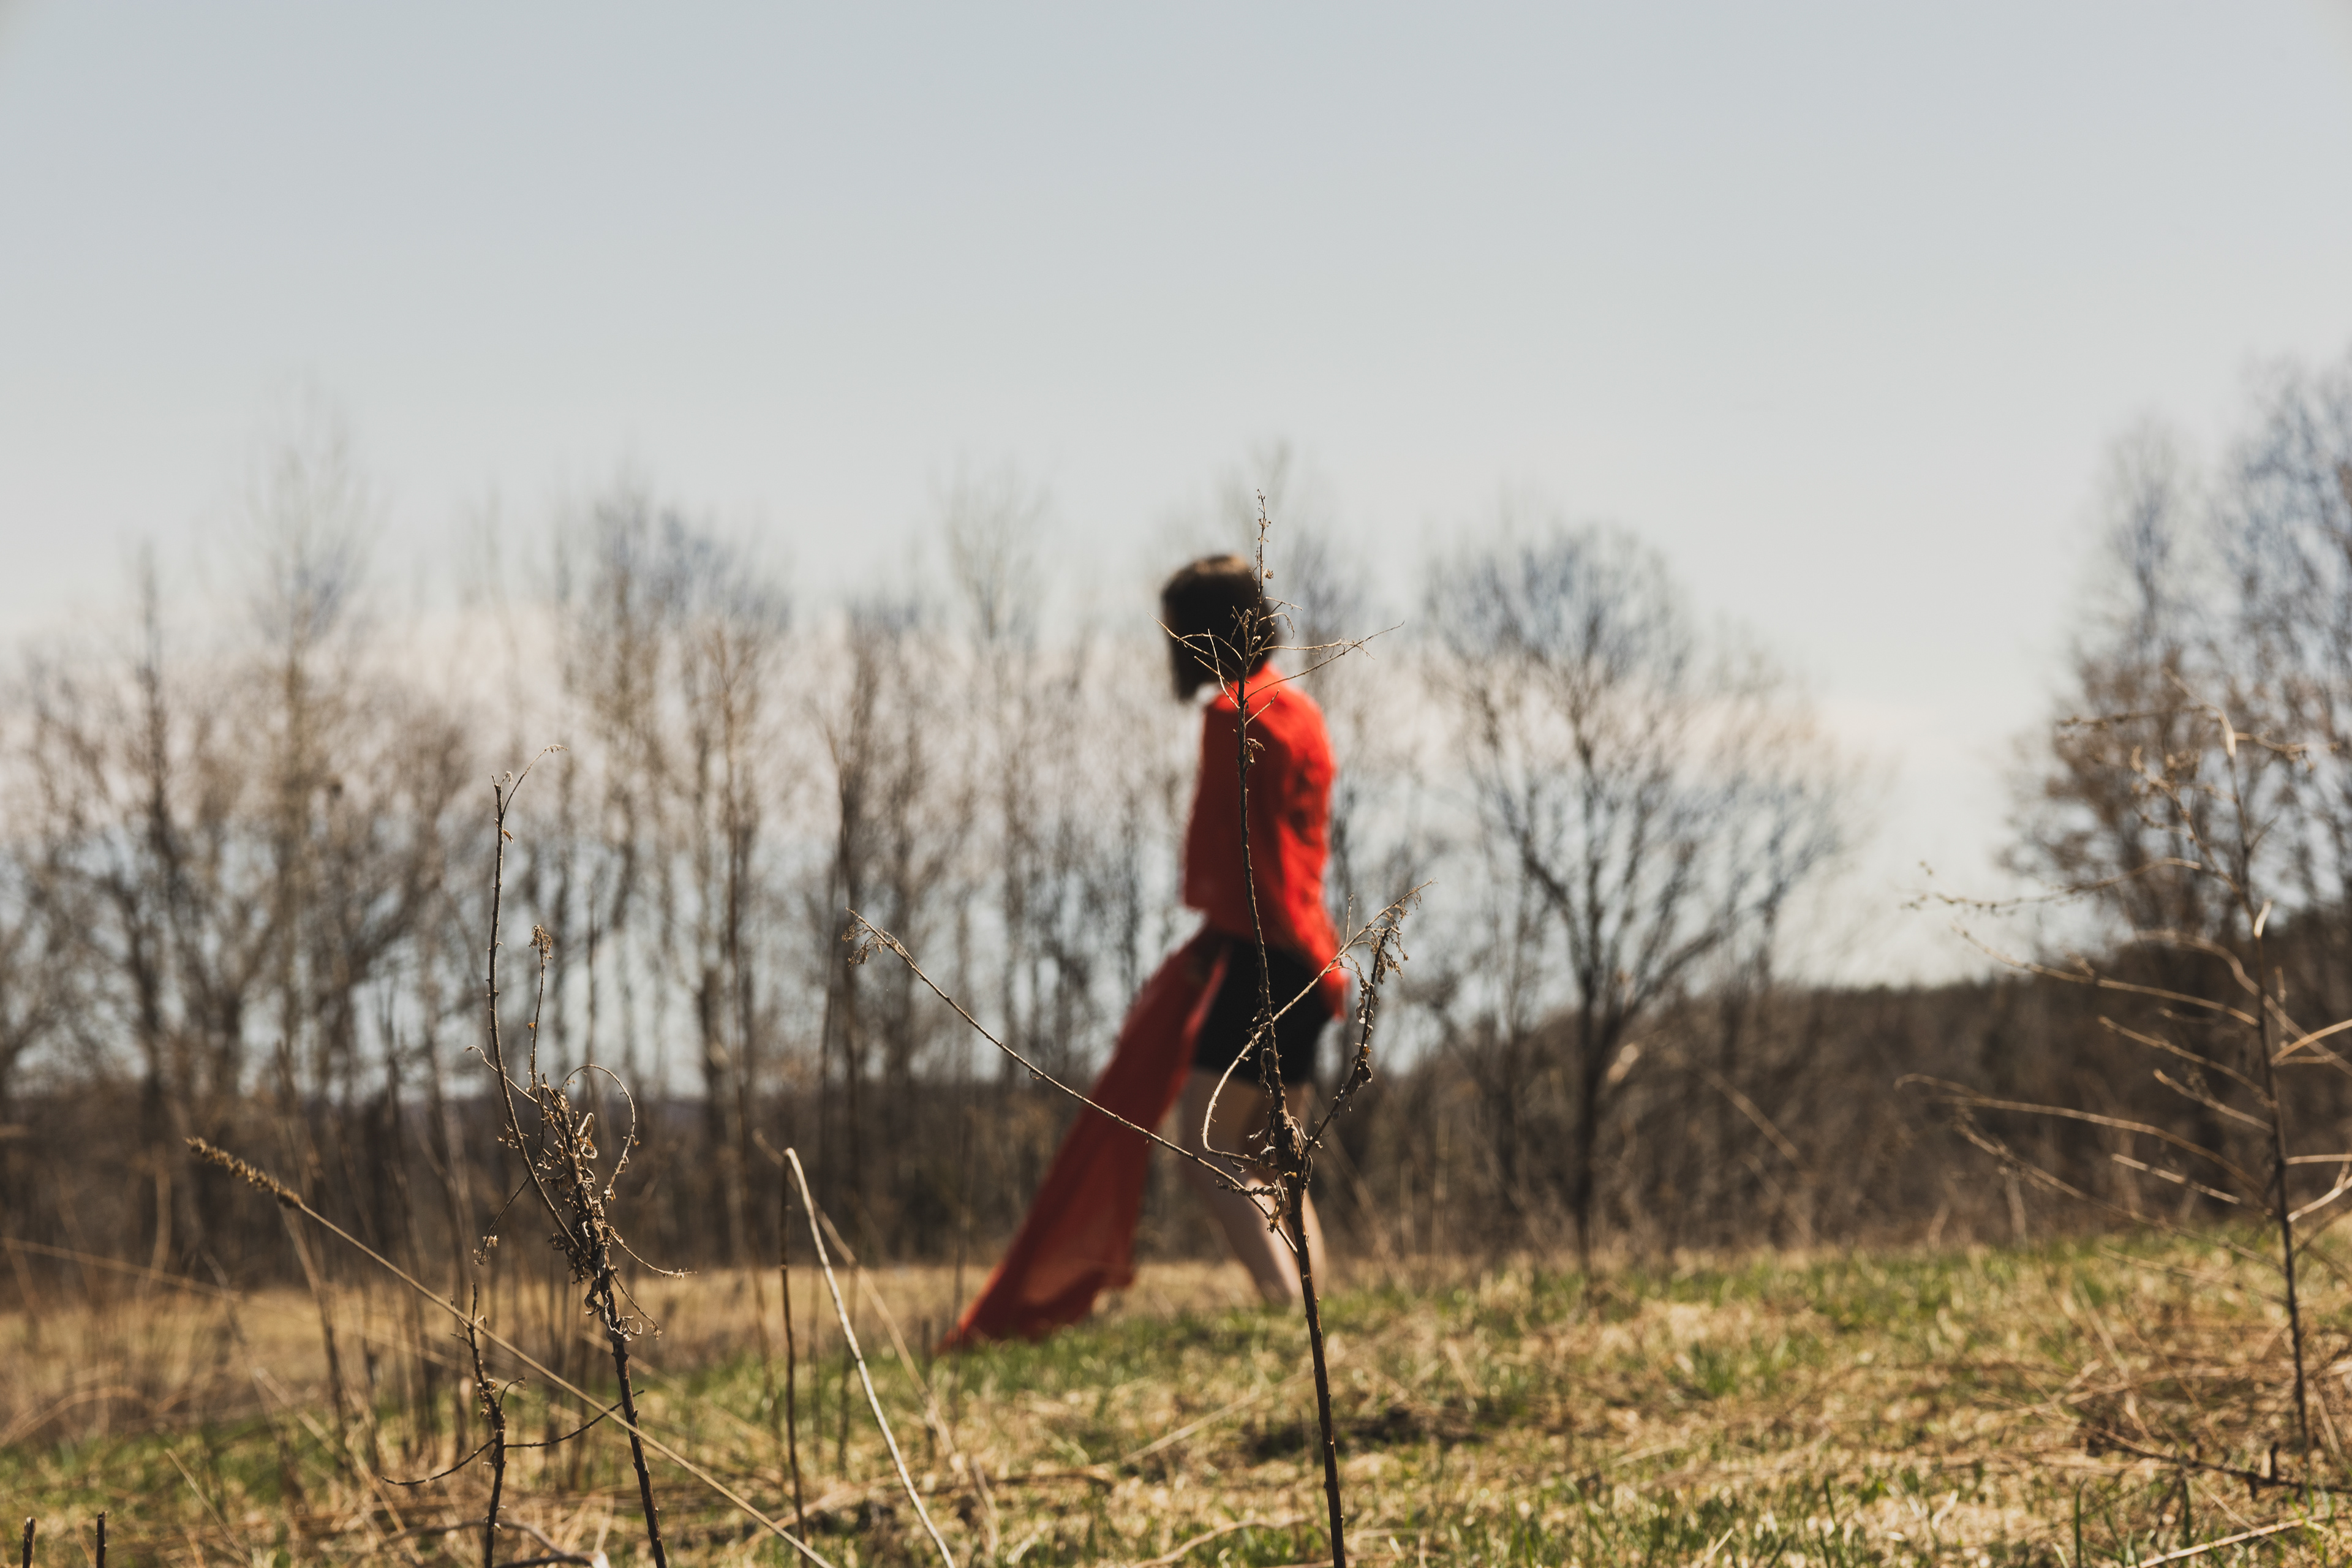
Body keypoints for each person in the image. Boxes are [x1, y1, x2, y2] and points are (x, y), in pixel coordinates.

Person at [940, 553, 1345, 1346]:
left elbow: (1237, 858)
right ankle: (1316, 1317)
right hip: (1314, 959)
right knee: (1271, 1157)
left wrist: (1218, 940)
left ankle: (1287, 1320)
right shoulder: (1303, 713)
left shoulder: (1235, 719)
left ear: (1197, 635)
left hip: (1257, 953)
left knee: (1210, 1149)